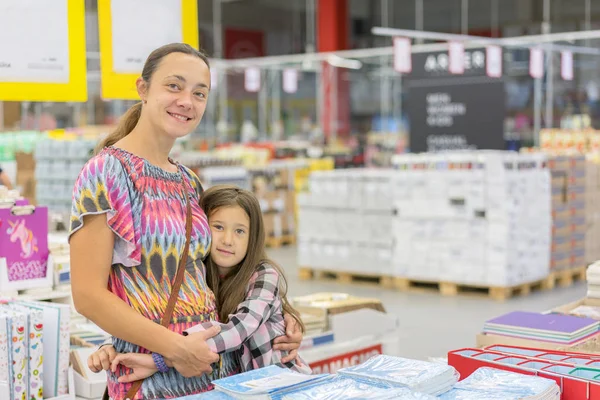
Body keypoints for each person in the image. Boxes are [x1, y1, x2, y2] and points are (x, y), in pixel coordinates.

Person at [69, 43, 302, 400]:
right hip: (153, 381)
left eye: (199, 93)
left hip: (213, 369)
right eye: (174, 86)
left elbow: (208, 272)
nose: (187, 101)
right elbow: (87, 295)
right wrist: (176, 350)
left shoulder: (187, 180)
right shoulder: (106, 173)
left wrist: (281, 315)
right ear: (143, 89)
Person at [96, 185, 311, 384]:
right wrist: (111, 345)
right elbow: (156, 313)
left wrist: (162, 359)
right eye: (218, 227)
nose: (228, 240)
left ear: (253, 237)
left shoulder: (264, 274)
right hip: (239, 388)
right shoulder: (196, 274)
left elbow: (238, 330)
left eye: (239, 231)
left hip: (282, 386)